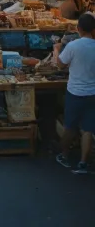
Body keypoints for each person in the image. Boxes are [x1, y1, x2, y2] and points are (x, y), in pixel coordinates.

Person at [54, 13, 95, 174]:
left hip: (75, 92)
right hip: (92, 93)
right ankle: (83, 162)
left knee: (70, 127)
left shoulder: (73, 46)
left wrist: (56, 49)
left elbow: (60, 65)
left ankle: (64, 155)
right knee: (87, 129)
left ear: (78, 28)